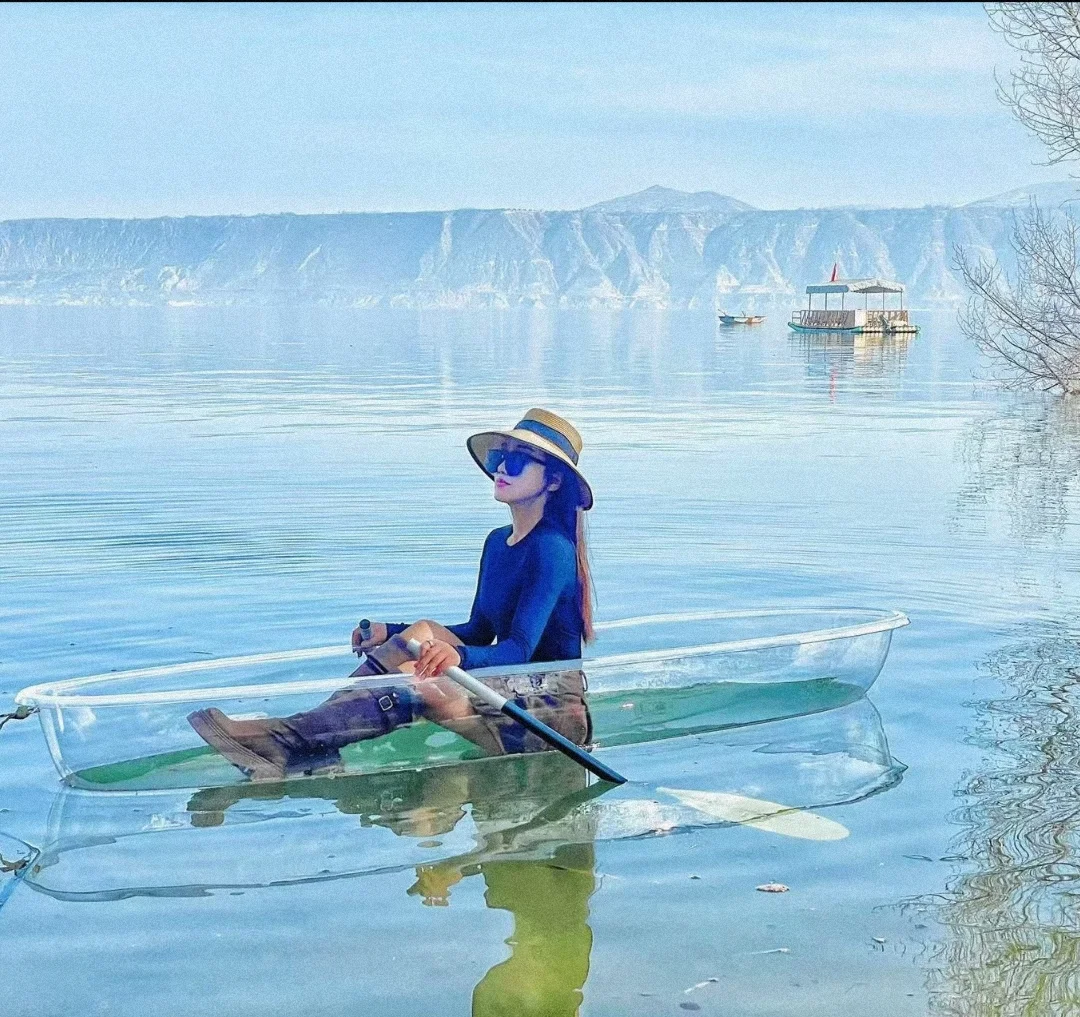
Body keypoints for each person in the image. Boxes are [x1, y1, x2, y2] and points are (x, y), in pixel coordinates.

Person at [188, 408, 596, 780]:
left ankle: (291, 742)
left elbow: (520, 649)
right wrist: (393, 632)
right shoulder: (497, 542)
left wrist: (460, 657)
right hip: (508, 683)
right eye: (498, 458)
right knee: (420, 633)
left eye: (519, 460)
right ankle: (301, 742)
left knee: (412, 680)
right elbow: (478, 629)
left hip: (549, 707)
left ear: (554, 480)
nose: (503, 468)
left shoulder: (552, 550)